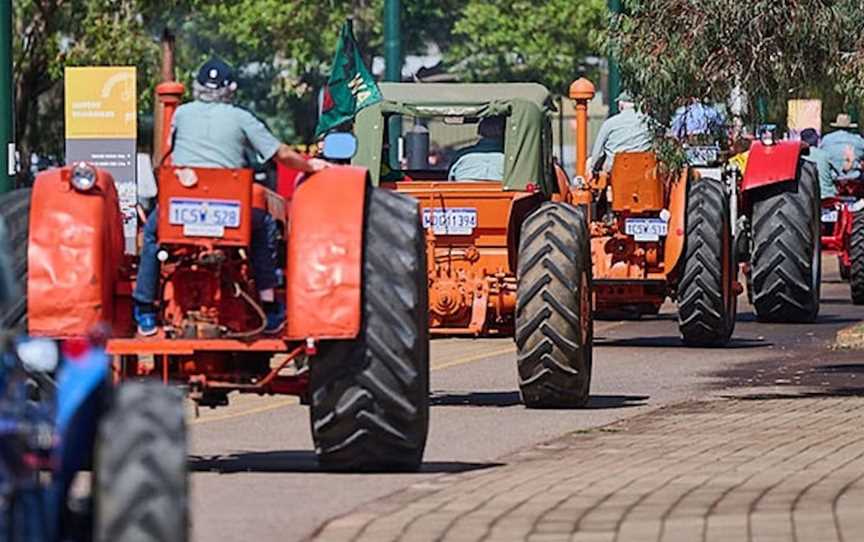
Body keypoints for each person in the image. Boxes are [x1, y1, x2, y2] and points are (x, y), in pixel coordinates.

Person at [133, 58, 330, 336]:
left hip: (183, 210)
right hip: (230, 215)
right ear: (230, 89)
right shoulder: (241, 118)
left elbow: (170, 153)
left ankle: (145, 309)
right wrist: (310, 164)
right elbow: (279, 154)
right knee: (264, 228)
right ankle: (269, 305)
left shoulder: (181, 114)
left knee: (153, 232)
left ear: (198, 87)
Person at [587, 91, 652, 173]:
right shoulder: (650, 122)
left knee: (589, 162)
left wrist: (593, 168)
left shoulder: (610, 123)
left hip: (616, 174)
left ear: (621, 105)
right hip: (645, 172)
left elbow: (597, 153)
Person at [448, 116, 506, 181]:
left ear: (479, 131)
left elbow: (450, 181)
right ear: (505, 132)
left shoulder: (461, 156)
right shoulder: (512, 160)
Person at [800, 128, 836, 198]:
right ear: (816, 140)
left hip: (807, 197)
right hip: (826, 195)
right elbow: (837, 173)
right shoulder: (825, 155)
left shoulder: (799, 157)